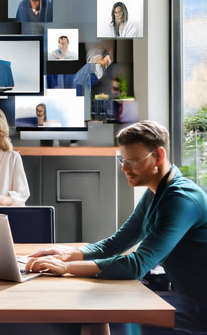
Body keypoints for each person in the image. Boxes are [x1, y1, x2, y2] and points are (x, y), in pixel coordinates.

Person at [26, 121, 207, 331]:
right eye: (123, 160)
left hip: (200, 309)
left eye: (132, 161)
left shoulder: (180, 199)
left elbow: (137, 265)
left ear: (158, 156)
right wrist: (72, 254)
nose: (124, 168)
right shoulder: (157, 190)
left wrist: (66, 268)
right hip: (186, 298)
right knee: (95, 310)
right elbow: (116, 243)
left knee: (110, 312)